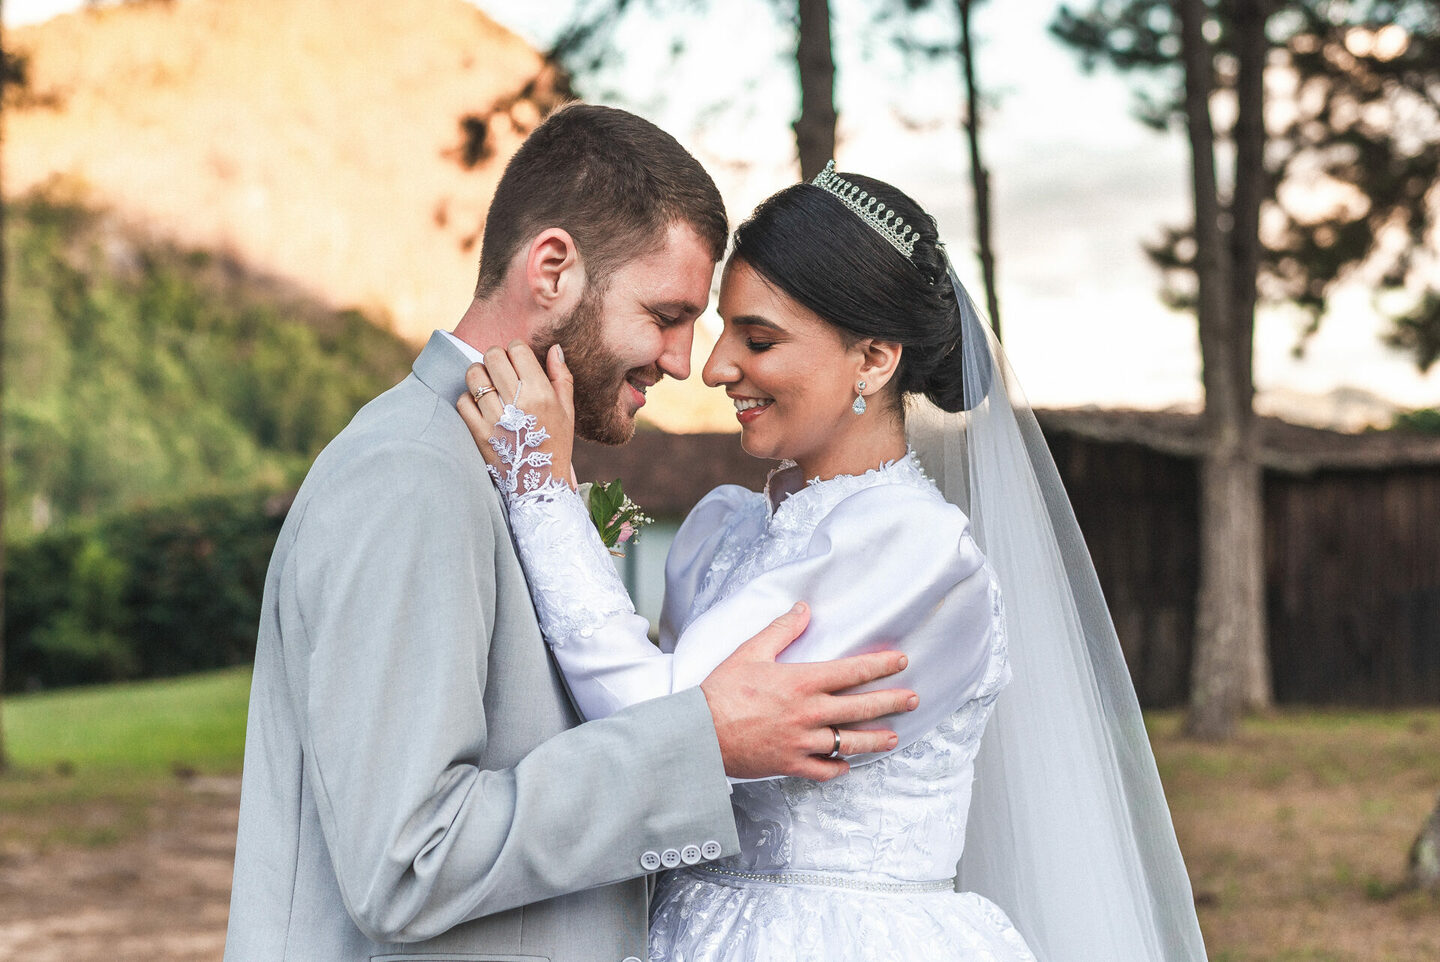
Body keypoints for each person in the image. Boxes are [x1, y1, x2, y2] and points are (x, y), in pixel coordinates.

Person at [461, 164, 1212, 960]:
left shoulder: (912, 553)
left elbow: (659, 722)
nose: (714, 368)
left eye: (759, 339)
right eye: (722, 332)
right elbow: (660, 755)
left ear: (875, 360)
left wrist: (541, 487)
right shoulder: (725, 531)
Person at [223, 106, 920, 962]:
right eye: (666, 315)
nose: (681, 361)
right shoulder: (410, 475)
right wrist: (699, 740)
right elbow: (408, 862)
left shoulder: (510, 463)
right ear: (552, 269)